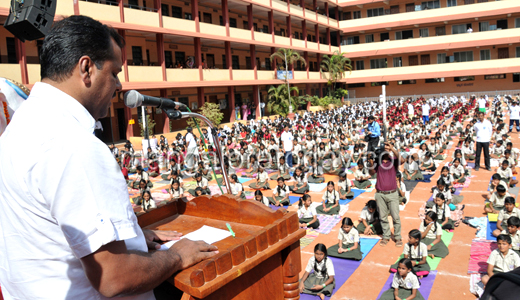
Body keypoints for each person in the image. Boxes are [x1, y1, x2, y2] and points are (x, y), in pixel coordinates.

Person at [0, 16, 218, 300]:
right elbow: (114, 278)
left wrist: (132, 239)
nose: (118, 86)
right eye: (114, 73)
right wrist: (177, 256)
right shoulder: (75, 144)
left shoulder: (21, 124)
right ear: (87, 68)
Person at [368, 142, 404, 247]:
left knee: (395, 216)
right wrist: (371, 162)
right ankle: (386, 236)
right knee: (383, 217)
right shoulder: (378, 163)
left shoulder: (393, 162)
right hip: (380, 194)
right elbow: (371, 173)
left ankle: (397, 237)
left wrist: (392, 148)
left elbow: (402, 160)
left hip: (392, 193)